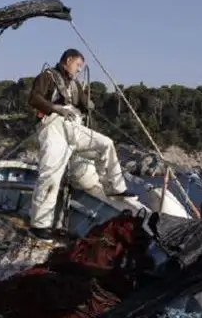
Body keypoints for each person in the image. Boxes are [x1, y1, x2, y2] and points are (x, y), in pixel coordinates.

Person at [27, 48, 136, 240]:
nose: (79, 70)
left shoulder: (74, 84)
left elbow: (83, 103)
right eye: (78, 65)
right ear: (68, 60)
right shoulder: (47, 76)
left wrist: (89, 103)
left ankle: (114, 187)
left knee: (106, 143)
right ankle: (39, 225)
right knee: (50, 175)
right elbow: (34, 98)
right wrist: (55, 108)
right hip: (54, 128)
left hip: (73, 128)